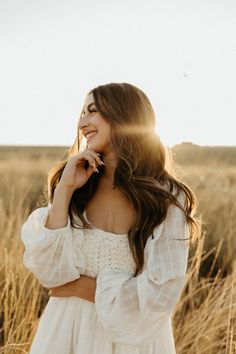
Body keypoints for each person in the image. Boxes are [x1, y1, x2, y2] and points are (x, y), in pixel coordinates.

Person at [21, 82, 200, 354]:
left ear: (123, 113)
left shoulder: (166, 196)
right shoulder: (77, 186)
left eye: (92, 111)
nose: (83, 122)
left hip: (130, 339)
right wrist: (65, 190)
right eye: (82, 113)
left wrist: (83, 288)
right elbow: (50, 273)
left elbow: (161, 293)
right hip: (65, 332)